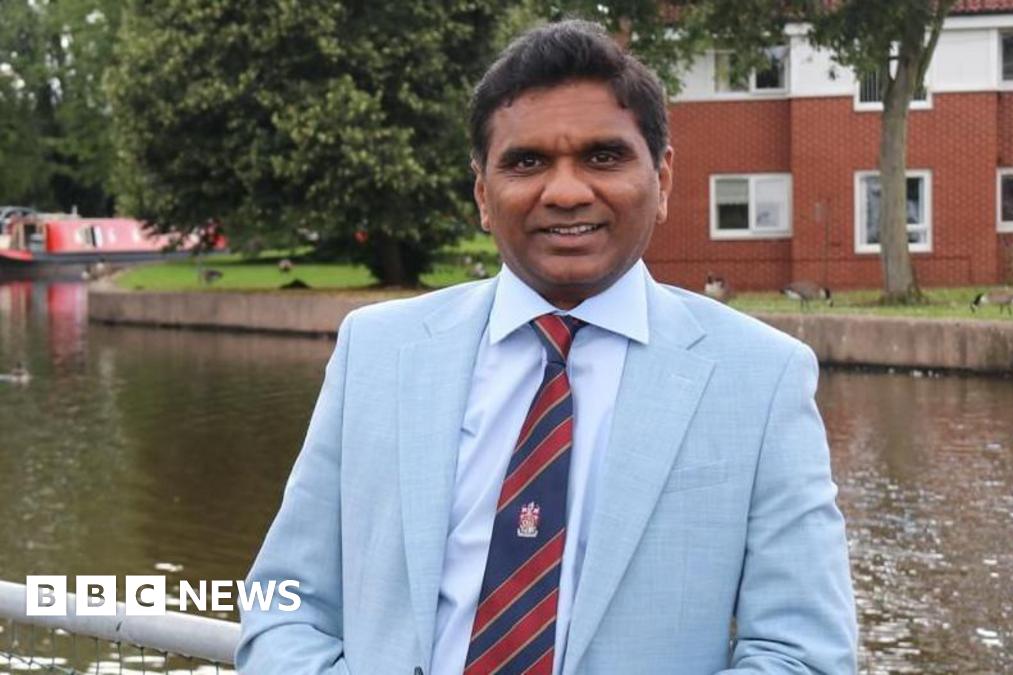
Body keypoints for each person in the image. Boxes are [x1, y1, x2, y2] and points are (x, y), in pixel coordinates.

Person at [237, 20, 856, 675]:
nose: (565, 191)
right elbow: (283, 603)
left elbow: (802, 653)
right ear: (482, 192)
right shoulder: (377, 351)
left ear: (663, 177)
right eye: (527, 161)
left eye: (603, 156)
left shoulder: (760, 379)